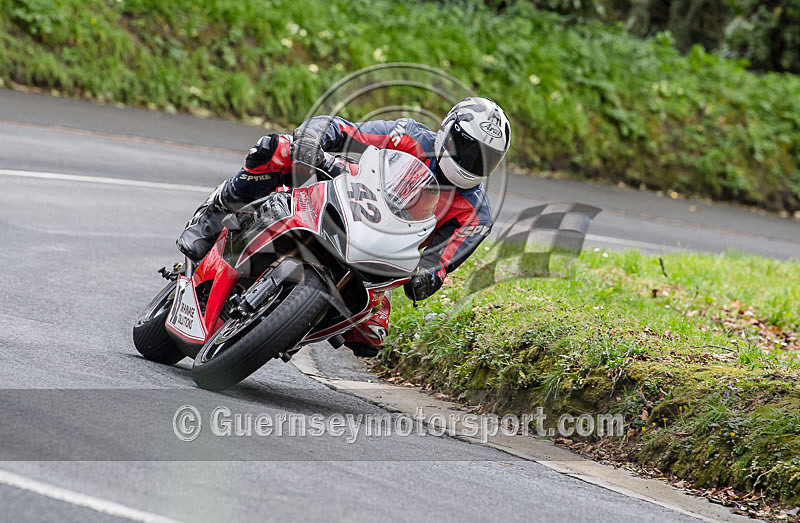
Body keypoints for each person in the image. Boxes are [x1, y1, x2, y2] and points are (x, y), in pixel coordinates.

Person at [177, 97, 511, 356]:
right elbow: (345, 130)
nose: (470, 162)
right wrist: (314, 137)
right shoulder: (410, 135)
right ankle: (216, 212)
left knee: (370, 338)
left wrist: (428, 275)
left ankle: (289, 325)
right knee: (278, 150)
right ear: (447, 131)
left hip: (383, 257)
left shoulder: (477, 215)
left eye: (484, 158)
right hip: (351, 194)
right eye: (466, 148)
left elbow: (441, 260)